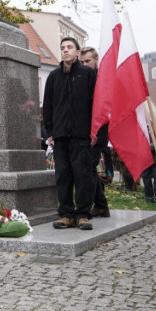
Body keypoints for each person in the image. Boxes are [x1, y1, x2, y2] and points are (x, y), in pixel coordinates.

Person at [43, 37, 97, 231]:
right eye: (63, 48)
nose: (65, 51)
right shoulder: (54, 76)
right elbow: (48, 104)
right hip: (59, 135)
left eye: (69, 47)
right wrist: (49, 131)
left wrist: (94, 129)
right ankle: (66, 214)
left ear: (77, 52)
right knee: (63, 176)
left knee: (82, 175)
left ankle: (82, 214)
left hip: (81, 134)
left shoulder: (88, 74)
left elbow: (94, 104)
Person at [79, 46, 110, 218]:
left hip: (98, 131)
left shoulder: (101, 79)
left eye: (88, 61)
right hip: (85, 130)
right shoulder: (82, 77)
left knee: (88, 168)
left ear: (96, 60)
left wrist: (96, 132)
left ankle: (95, 204)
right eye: (82, 62)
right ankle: (100, 204)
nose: (84, 64)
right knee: (89, 169)